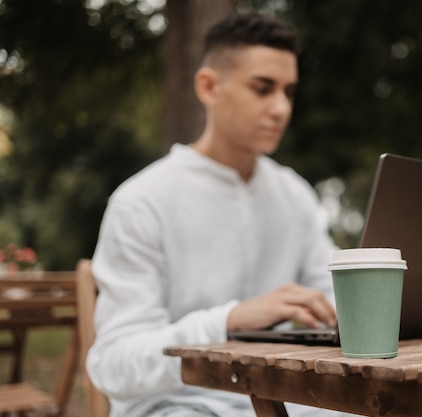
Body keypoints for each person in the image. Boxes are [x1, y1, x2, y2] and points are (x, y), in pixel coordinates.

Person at [88, 12, 348, 417]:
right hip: (176, 406)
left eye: (289, 91)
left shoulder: (295, 195)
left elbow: (335, 304)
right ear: (209, 86)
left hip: (287, 401)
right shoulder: (141, 201)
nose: (281, 108)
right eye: (263, 88)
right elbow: (113, 366)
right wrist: (228, 320)